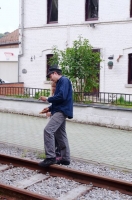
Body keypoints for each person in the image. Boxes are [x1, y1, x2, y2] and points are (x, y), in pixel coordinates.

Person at [38, 66, 73, 167]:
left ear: (55, 73)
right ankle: (65, 159)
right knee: (60, 134)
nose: (50, 79)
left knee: (48, 130)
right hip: (61, 109)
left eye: (50, 76)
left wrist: (48, 99)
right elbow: (60, 100)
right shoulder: (61, 82)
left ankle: (50, 157)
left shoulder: (64, 80)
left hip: (61, 111)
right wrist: (49, 108)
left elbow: (62, 96)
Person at [40, 81, 61, 159]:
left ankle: (56, 154)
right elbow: (52, 106)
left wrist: (51, 112)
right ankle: (52, 152)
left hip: (56, 118)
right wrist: (48, 110)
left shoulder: (58, 96)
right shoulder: (52, 95)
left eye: (55, 87)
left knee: (55, 135)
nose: (53, 88)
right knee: (52, 134)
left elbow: (57, 108)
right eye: (52, 87)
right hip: (51, 118)